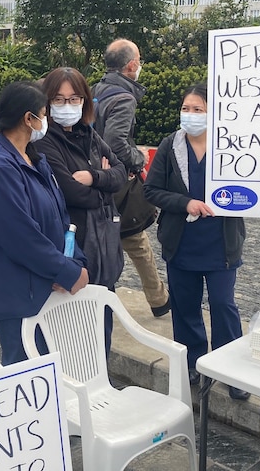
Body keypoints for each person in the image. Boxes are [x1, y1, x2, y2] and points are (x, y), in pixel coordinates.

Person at [144, 83, 260, 400]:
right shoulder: (171, 146)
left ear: (215, 113)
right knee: (185, 309)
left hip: (221, 244)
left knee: (224, 306)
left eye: (198, 109)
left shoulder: (235, 146)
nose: (190, 115)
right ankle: (193, 364)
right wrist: (185, 203)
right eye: (186, 108)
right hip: (181, 242)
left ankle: (232, 372)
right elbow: (152, 190)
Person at [0, 81, 89, 365]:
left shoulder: (34, 159)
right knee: (27, 380)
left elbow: (60, 218)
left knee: (53, 375)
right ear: (28, 119)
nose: (46, 120)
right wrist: (67, 272)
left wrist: (74, 262)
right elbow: (21, 239)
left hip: (47, 286)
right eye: (43, 114)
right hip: (20, 296)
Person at [33, 67, 125, 355]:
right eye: (58, 100)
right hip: (71, 247)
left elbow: (121, 173)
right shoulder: (45, 141)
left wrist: (95, 177)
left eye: (74, 99)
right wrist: (103, 187)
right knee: (68, 335)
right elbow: (70, 192)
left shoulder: (90, 134)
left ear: (85, 101)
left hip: (103, 246)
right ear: (46, 103)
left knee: (100, 330)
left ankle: (101, 381)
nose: (67, 107)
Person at [92, 38, 171, 318]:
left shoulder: (95, 91)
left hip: (95, 179)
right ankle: (158, 299)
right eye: (139, 60)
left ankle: (154, 297)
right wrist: (139, 158)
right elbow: (115, 142)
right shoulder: (124, 98)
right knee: (134, 237)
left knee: (113, 237)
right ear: (132, 65)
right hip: (117, 182)